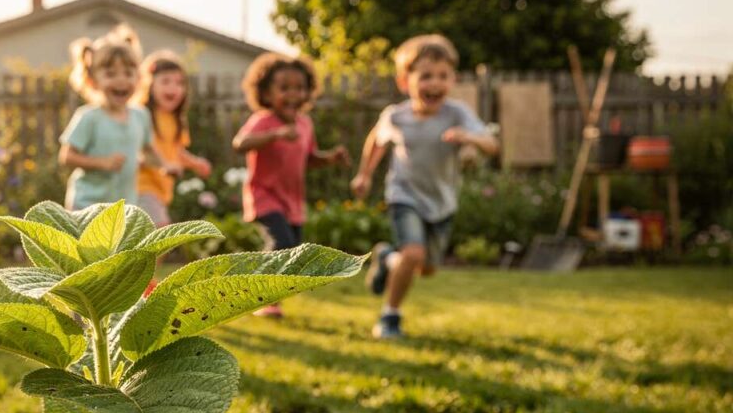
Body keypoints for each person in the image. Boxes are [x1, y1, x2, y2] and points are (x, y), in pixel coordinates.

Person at [351, 34, 499, 339]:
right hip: (403, 196)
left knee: (426, 267)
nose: (435, 83)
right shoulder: (396, 116)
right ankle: (390, 317)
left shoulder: (457, 113)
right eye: (426, 76)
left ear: (453, 79)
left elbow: (491, 145)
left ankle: (387, 257)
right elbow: (376, 141)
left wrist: (469, 138)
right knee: (414, 254)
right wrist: (364, 174)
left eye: (443, 76)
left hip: (441, 202)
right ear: (405, 81)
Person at [233, 52, 350, 318]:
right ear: (266, 92)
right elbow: (240, 143)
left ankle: (264, 294)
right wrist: (275, 134)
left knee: (292, 251)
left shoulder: (305, 124)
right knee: (282, 242)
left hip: (292, 200)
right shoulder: (263, 120)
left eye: (299, 88)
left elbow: (309, 159)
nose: (293, 95)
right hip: (263, 195)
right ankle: (261, 297)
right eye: (284, 88)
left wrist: (329, 158)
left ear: (308, 92)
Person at [59, 25, 178, 211]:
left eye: (128, 73)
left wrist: (164, 165)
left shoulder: (140, 115)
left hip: (123, 206)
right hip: (86, 205)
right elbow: (67, 156)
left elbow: (148, 150)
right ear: (92, 80)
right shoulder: (89, 117)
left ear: (138, 78)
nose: (121, 80)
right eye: (110, 74)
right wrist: (102, 163)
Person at [135, 50, 212, 227]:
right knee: (161, 231)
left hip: (161, 191)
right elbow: (138, 150)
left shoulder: (176, 120)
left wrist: (196, 163)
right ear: (149, 84)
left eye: (179, 83)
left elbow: (177, 152)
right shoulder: (142, 115)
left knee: (151, 236)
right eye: (165, 81)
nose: (173, 88)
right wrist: (159, 164)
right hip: (141, 187)